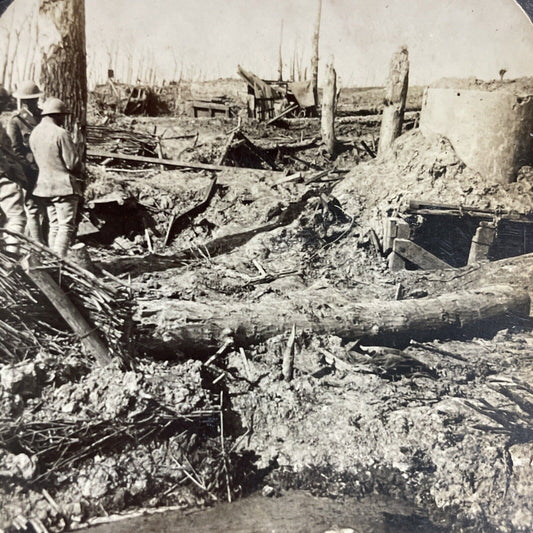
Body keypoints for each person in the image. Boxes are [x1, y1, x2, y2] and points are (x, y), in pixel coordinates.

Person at [29, 97, 81, 258]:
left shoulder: (34, 133)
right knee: (65, 226)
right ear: (56, 115)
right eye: (62, 116)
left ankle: (52, 261)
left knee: (54, 225)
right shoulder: (61, 133)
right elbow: (72, 163)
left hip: (44, 187)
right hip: (63, 187)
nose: (63, 119)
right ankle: (59, 262)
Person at [7, 80, 43, 241]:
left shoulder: (43, 116)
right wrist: (29, 169)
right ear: (23, 101)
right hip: (30, 171)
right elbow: (15, 150)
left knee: (47, 208)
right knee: (33, 208)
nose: (31, 103)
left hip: (46, 168)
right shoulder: (16, 121)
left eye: (34, 99)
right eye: (28, 100)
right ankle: (38, 247)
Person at [0, 105, 28, 256]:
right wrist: (20, 176)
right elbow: (8, 152)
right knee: (16, 217)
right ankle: (11, 258)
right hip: (2, 176)